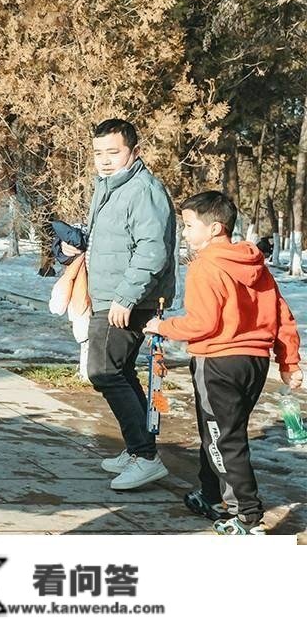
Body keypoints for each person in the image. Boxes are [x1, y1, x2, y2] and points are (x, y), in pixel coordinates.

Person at [144, 190, 302, 535]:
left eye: (188, 226)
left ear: (215, 228)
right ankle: (211, 494)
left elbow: (202, 323)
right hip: (255, 363)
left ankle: (247, 514)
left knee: (222, 438)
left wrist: (162, 326)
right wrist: (289, 361)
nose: (184, 233)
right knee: (218, 432)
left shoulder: (206, 266)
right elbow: (282, 315)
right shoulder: (254, 264)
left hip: (217, 361)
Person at [66, 118, 177, 492]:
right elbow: (117, 241)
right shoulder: (109, 187)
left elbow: (152, 251)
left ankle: (146, 457)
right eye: (98, 153)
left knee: (103, 371)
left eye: (113, 152)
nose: (105, 160)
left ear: (135, 152)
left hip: (127, 299)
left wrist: (126, 297)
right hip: (110, 294)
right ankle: (136, 449)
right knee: (120, 371)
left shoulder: (143, 190)